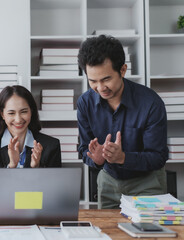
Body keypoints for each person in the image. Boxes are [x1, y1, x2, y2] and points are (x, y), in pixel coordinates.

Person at [77, 35, 168, 209]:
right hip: (108, 181)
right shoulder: (85, 103)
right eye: (92, 81)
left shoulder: (151, 103)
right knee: (108, 233)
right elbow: (83, 149)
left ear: (123, 70)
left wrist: (123, 157)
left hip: (146, 182)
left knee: (149, 235)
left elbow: (158, 157)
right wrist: (95, 160)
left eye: (106, 79)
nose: (100, 88)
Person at [0, 85, 62, 209]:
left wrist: (36, 168)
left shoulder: (50, 145)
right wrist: (11, 166)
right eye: (11, 113)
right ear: (2, 114)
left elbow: (52, 195)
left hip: (35, 214)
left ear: (31, 111)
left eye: (24, 112)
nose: (18, 119)